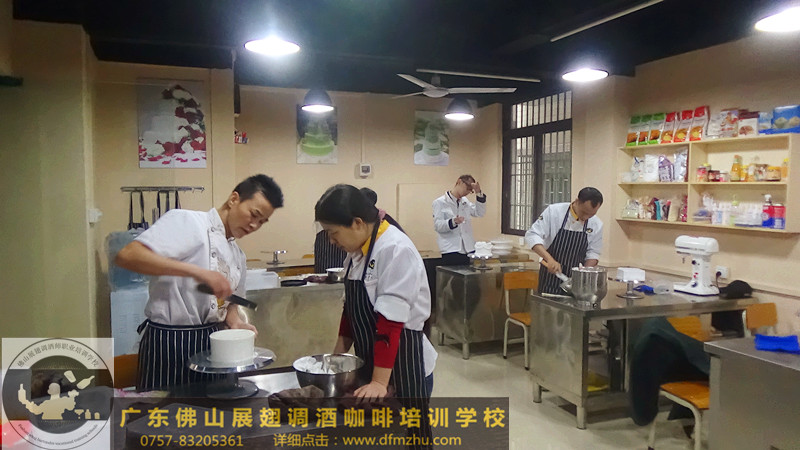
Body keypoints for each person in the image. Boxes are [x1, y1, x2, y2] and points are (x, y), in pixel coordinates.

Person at [115, 174, 284, 390]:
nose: (254, 225)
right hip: (169, 344)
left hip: (214, 345)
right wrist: (198, 273)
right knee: (162, 408)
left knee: (209, 408)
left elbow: (231, 304)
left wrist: (236, 322)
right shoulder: (188, 222)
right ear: (234, 199)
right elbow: (128, 256)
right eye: (254, 214)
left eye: (261, 222)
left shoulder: (238, 255)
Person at [316, 184, 436, 400]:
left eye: (334, 233)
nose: (331, 242)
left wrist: (379, 383)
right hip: (372, 366)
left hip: (403, 366)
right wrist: (336, 361)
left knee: (407, 422)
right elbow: (351, 313)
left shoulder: (395, 249)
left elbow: (391, 322)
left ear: (358, 223)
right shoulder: (355, 254)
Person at [525, 187, 604, 295]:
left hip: (576, 283)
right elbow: (532, 235)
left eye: (591, 215)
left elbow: (593, 253)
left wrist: (584, 274)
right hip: (550, 278)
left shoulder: (596, 224)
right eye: (584, 212)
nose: (586, 217)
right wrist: (550, 259)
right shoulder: (554, 212)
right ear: (577, 201)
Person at [431, 174, 486, 266]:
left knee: (468, 274)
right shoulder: (440, 202)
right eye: (467, 188)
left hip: (467, 248)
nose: (468, 192)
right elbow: (438, 226)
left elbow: (479, 213)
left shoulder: (465, 201)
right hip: (451, 249)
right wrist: (453, 222)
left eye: (471, 190)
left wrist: (478, 193)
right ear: (459, 182)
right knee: (452, 274)